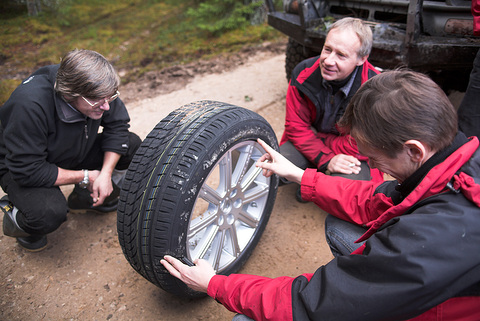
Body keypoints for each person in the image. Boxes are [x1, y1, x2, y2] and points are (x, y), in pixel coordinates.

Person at [160, 70, 480, 320]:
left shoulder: (436, 236)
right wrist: (300, 175)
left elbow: (312, 304)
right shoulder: (453, 168)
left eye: (375, 158)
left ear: (413, 151)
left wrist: (214, 285)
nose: (372, 165)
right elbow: (376, 198)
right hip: (442, 286)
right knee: (340, 227)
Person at [0, 49, 142, 251]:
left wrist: (105, 174)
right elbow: (28, 170)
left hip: (73, 148)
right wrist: (86, 176)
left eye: (110, 98)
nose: (106, 107)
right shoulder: (29, 105)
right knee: (47, 214)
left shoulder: (97, 87)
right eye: (98, 101)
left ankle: (84, 199)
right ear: (70, 94)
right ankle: (20, 221)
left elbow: (117, 126)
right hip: (22, 164)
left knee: (131, 145)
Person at [280, 17, 383, 203]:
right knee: (272, 167)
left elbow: (362, 144)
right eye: (327, 49)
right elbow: (295, 127)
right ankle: (317, 177)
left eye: (341, 55)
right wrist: (327, 159)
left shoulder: (376, 91)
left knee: (350, 192)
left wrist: (317, 139)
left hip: (350, 153)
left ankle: (315, 184)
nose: (328, 60)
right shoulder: (304, 73)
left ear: (362, 59)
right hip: (309, 144)